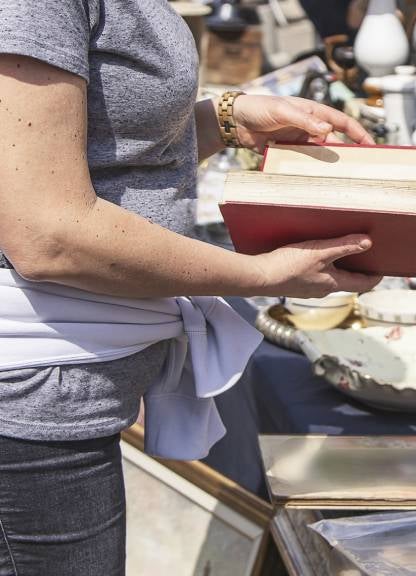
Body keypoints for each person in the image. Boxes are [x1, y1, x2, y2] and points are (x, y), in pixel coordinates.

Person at [0, 2, 382, 574]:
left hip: (59, 403)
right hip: (29, 408)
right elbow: (47, 233)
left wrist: (225, 120)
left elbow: (108, 155)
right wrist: (261, 274)